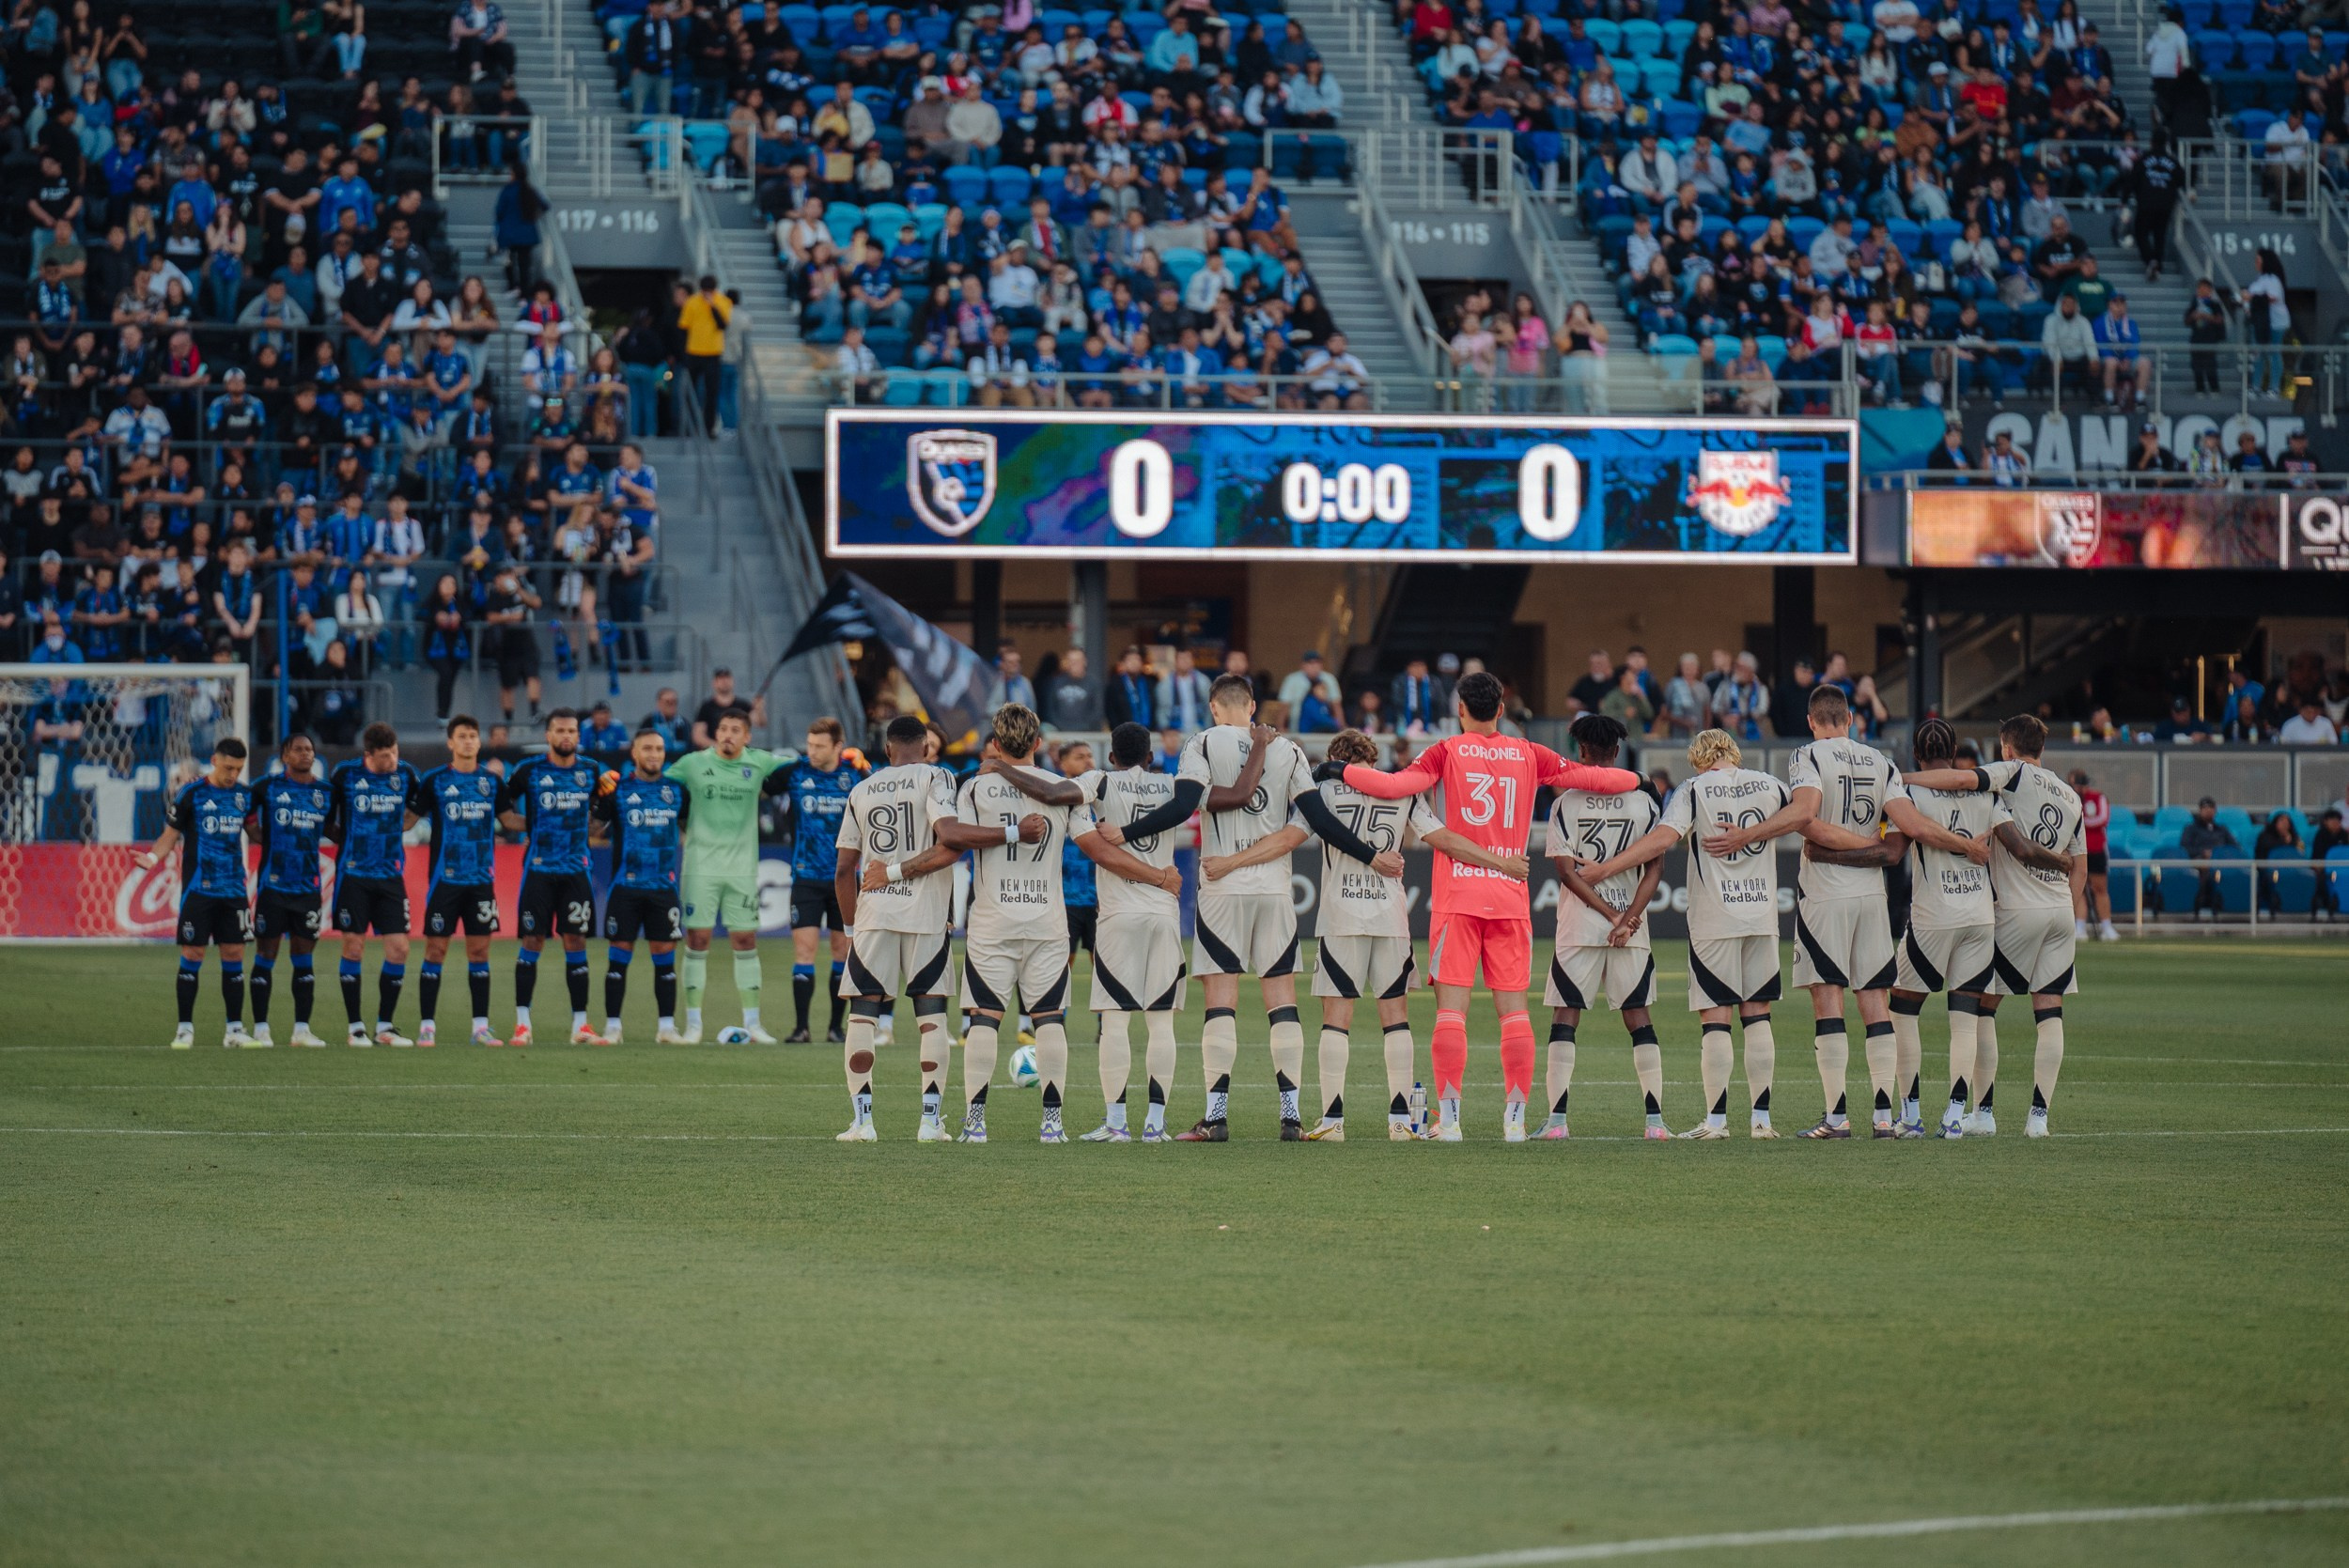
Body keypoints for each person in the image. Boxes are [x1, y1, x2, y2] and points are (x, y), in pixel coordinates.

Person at [1333, 670, 1642, 1141]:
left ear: (1460, 709)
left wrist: (1338, 770)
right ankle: (1514, 1120)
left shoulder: (1445, 751)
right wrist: (1638, 779)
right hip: (1509, 898)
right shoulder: (1528, 752)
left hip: (1458, 897)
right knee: (1514, 1014)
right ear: (1501, 709)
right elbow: (1597, 778)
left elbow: (1394, 788)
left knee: (1451, 1013)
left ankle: (1451, 1120)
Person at [1098, 675, 1381, 1140]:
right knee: (1282, 1001)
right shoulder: (1287, 749)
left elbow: (1184, 805)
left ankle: (1216, 1116)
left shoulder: (1202, 744)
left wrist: (1127, 834)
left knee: (1221, 1003)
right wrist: (1372, 856)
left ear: (1213, 707)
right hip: (1273, 890)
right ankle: (1290, 1115)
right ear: (1251, 705)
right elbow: (1319, 819)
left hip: (1221, 884)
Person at [1705, 685, 1983, 1138]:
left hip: (1826, 896)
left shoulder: (1807, 756)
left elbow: (1805, 814)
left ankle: (1837, 1116)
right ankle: (1882, 1116)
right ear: (1850, 718)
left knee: (1827, 997)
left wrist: (1747, 834)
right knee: (1875, 1000)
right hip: (1872, 898)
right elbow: (1907, 832)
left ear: (1812, 721)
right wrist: (1966, 845)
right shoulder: (1882, 761)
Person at [1571, 727, 1797, 1138]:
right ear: (1733, 752)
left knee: (1717, 1019)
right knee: (1759, 1015)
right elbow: (1805, 814)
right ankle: (1762, 1121)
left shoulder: (1694, 789)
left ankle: (1716, 1121)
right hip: (1763, 912)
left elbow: (1663, 838)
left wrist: (1607, 868)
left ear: (1700, 758)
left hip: (1716, 916)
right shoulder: (1772, 785)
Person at [986, 721, 1194, 1141]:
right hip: (1164, 913)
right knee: (1160, 1025)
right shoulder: (1172, 785)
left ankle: (1116, 1123)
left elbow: (1052, 792)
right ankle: (1155, 1124)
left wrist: (999, 767)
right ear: (1150, 757)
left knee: (1114, 1024)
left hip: (1119, 915)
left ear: (1112, 758)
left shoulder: (1100, 780)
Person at [1906, 716, 2086, 1138]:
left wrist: (1900, 777)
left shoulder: (2013, 773)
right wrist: (2068, 915)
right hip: (2060, 910)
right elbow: (2080, 867)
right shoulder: (2072, 796)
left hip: (2016, 911)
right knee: (2050, 1012)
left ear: (2007, 747)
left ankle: (1983, 1112)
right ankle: (2038, 1119)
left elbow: (1963, 781)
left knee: (1981, 1008)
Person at [931, 705, 1095, 1143]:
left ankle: (975, 1122)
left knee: (983, 1020)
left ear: (996, 744)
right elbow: (1093, 844)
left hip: (992, 921)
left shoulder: (977, 787)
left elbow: (953, 838)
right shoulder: (1064, 789)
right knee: (1049, 1021)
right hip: (1047, 921)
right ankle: (1052, 1123)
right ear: (1039, 744)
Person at [832, 715, 965, 1141]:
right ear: (926, 746)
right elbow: (950, 839)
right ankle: (929, 1121)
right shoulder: (938, 775)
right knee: (931, 1019)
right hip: (925, 913)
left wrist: (852, 929)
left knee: (863, 1015)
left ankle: (863, 1121)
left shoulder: (861, 789)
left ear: (887, 749)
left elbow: (843, 870)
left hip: (874, 915)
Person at [1540, 715, 1672, 1137]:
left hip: (1579, 925)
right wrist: (1627, 917)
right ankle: (1655, 1122)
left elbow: (1566, 872)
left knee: (1566, 1015)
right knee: (1639, 1017)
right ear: (1617, 751)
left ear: (1580, 752)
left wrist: (1610, 917)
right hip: (1631, 928)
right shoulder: (1645, 802)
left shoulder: (1565, 802)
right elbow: (1655, 869)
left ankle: (1557, 1122)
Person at [665, 705, 793, 1043]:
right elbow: (657, 785)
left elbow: (803, 769)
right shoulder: (693, 764)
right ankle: (693, 1025)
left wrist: (847, 759)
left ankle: (753, 1023)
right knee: (697, 941)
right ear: (716, 733)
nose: (728, 735)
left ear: (747, 736)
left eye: (736, 730)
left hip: (741, 870)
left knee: (745, 941)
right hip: (700, 869)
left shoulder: (759, 762)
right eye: (723, 729)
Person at [494, 709, 605, 1046]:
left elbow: (598, 823)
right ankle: (523, 1025)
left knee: (576, 942)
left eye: (571, 730)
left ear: (578, 735)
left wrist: (603, 813)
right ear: (548, 735)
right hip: (538, 872)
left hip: (576, 872)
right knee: (533, 942)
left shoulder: (591, 770)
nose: (566, 736)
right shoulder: (529, 770)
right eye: (560, 730)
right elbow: (504, 808)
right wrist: (531, 825)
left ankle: (581, 1026)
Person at [138, 737, 256, 1049]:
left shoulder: (244, 796)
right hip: (198, 891)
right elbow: (170, 836)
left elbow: (257, 832)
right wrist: (151, 859)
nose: (233, 774)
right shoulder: (192, 793)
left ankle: (234, 1031)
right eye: (229, 767)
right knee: (193, 954)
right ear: (215, 761)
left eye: (239, 769)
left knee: (234, 956)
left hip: (234, 890)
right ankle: (185, 1029)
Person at [325, 722, 426, 1048]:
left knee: (399, 949)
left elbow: (418, 808)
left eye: (395, 752)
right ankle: (355, 1027)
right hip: (353, 875)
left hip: (390, 876)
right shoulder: (345, 775)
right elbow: (327, 819)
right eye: (385, 756)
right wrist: (351, 840)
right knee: (353, 946)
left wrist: (394, 828)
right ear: (368, 755)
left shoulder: (406, 774)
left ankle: (385, 1026)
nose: (393, 760)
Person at [592, 727, 691, 1046]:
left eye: (659, 749)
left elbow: (689, 828)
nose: (654, 754)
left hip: (664, 887)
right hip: (626, 886)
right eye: (647, 748)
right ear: (634, 753)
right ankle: (613, 1027)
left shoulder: (677, 791)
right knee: (619, 955)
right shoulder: (618, 790)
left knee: (664, 956)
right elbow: (593, 829)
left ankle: (665, 1028)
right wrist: (597, 795)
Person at [774, 717, 867, 1043]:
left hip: (845, 879)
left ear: (838, 747)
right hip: (806, 877)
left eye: (819, 746)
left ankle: (835, 1028)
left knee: (842, 951)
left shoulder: (856, 775)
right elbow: (764, 781)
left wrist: (865, 766)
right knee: (805, 952)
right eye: (809, 745)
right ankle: (801, 1028)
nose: (811, 751)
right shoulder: (795, 773)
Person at [415, 714, 506, 1048]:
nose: (468, 741)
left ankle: (480, 1028)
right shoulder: (435, 780)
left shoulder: (492, 782)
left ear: (479, 742)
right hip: (445, 880)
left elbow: (509, 817)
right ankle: (427, 1026)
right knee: (436, 949)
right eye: (462, 736)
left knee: (480, 951)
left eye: (473, 735)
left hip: (482, 881)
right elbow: (410, 819)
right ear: (450, 743)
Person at [245, 734, 334, 1049]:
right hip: (274, 887)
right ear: (285, 755)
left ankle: (301, 1030)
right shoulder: (266, 787)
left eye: (310, 749)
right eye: (298, 749)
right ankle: (260, 1029)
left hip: (308, 889)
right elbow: (244, 813)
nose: (305, 754)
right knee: (265, 956)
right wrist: (258, 834)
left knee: (303, 959)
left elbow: (335, 828)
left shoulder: (325, 792)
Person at [677, 273, 733, 431]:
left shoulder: (723, 301)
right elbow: (683, 327)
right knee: (691, 392)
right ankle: (689, 427)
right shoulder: (692, 302)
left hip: (713, 352)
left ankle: (709, 428)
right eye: (704, 291)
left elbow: (722, 325)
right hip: (694, 351)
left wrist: (713, 306)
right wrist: (684, 352)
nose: (706, 294)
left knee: (712, 393)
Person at [2069, 768, 2117, 940]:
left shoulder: (2098, 798)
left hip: (2096, 849)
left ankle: (2107, 926)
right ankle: (2079, 926)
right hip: (2077, 850)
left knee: (2100, 888)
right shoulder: (2069, 798)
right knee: (2078, 889)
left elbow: (2102, 819)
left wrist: (2082, 822)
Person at [2177, 796, 2237, 920]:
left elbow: (2235, 847)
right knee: (2205, 868)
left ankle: (2228, 904)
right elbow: (2185, 848)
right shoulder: (2191, 829)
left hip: (2220, 863)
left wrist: (2220, 854)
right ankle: (2200, 904)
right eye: (2205, 808)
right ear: (2200, 810)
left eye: (2211, 808)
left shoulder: (2222, 829)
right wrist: (2203, 853)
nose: (2208, 810)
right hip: (2199, 862)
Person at [692, 668, 765, 748]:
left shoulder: (743, 705)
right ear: (714, 683)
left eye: (727, 678)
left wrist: (759, 710)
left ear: (732, 681)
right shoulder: (706, 707)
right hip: (715, 754)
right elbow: (698, 736)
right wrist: (720, 747)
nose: (724, 682)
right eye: (721, 679)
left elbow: (760, 723)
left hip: (739, 753)